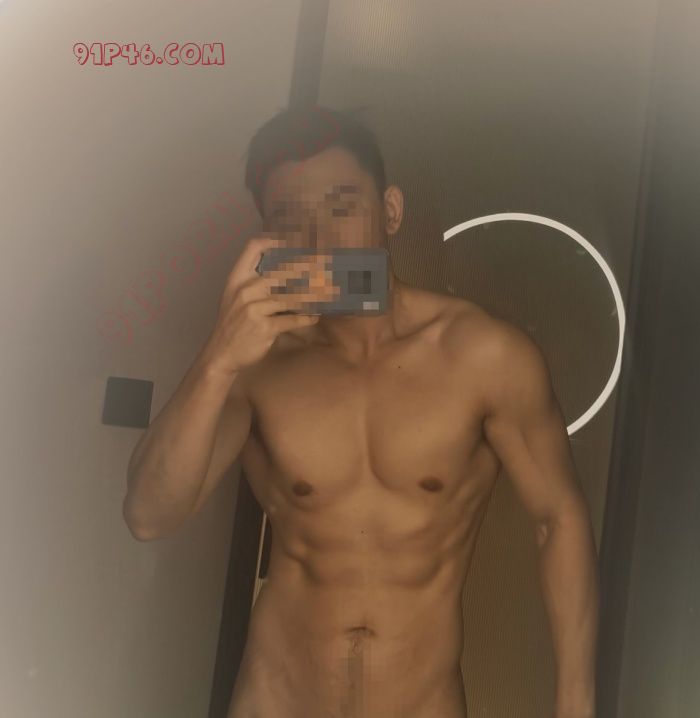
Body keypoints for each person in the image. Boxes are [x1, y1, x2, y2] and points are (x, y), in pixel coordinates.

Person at [123, 106, 599, 718]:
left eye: (343, 207)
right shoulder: (255, 364)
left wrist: (576, 704)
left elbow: (558, 519)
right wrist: (219, 357)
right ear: (266, 236)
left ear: (390, 211)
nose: (320, 239)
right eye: (290, 219)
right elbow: (150, 515)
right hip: (275, 699)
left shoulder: (483, 357)